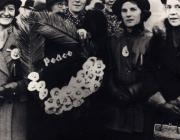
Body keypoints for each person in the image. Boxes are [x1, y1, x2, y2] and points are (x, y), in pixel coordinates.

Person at [103, 0, 156, 139]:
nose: (128, 14)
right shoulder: (113, 40)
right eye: (124, 10)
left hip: (141, 109)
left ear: (142, 13)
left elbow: (154, 74)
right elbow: (108, 69)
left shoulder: (151, 39)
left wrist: (131, 92)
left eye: (133, 9)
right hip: (116, 110)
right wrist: (114, 92)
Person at [148, 0, 180, 131]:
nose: (172, 12)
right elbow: (149, 68)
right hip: (163, 102)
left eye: (178, 6)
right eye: (169, 7)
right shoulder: (158, 33)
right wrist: (161, 102)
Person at [0, 0, 27, 140]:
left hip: (15, 107)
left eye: (10, 8)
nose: (6, 13)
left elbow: (34, 75)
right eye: (1, 8)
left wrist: (14, 87)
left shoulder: (23, 37)